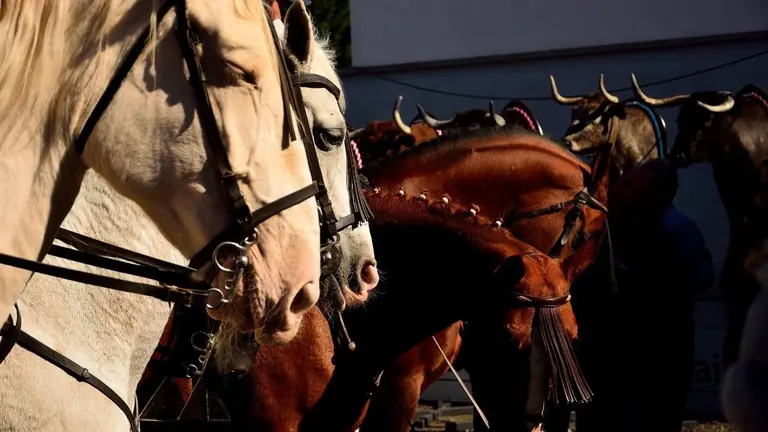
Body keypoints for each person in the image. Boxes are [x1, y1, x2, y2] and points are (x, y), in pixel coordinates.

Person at [568, 159, 714, 432]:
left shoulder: (676, 230)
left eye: (629, 185)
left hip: (656, 361)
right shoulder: (608, 227)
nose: (617, 189)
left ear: (653, 195)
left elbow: (700, 278)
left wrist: (644, 283)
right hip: (607, 361)